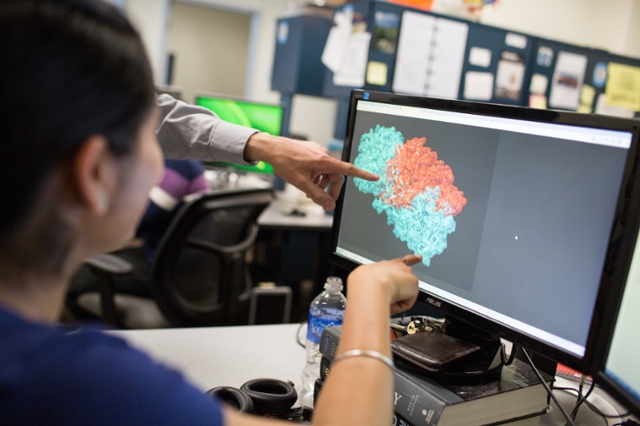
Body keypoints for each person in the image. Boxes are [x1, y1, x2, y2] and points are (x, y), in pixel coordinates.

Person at [0, 1, 421, 425]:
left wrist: (262, 146)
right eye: (148, 131)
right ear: (95, 172)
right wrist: (368, 292)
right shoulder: (81, 385)